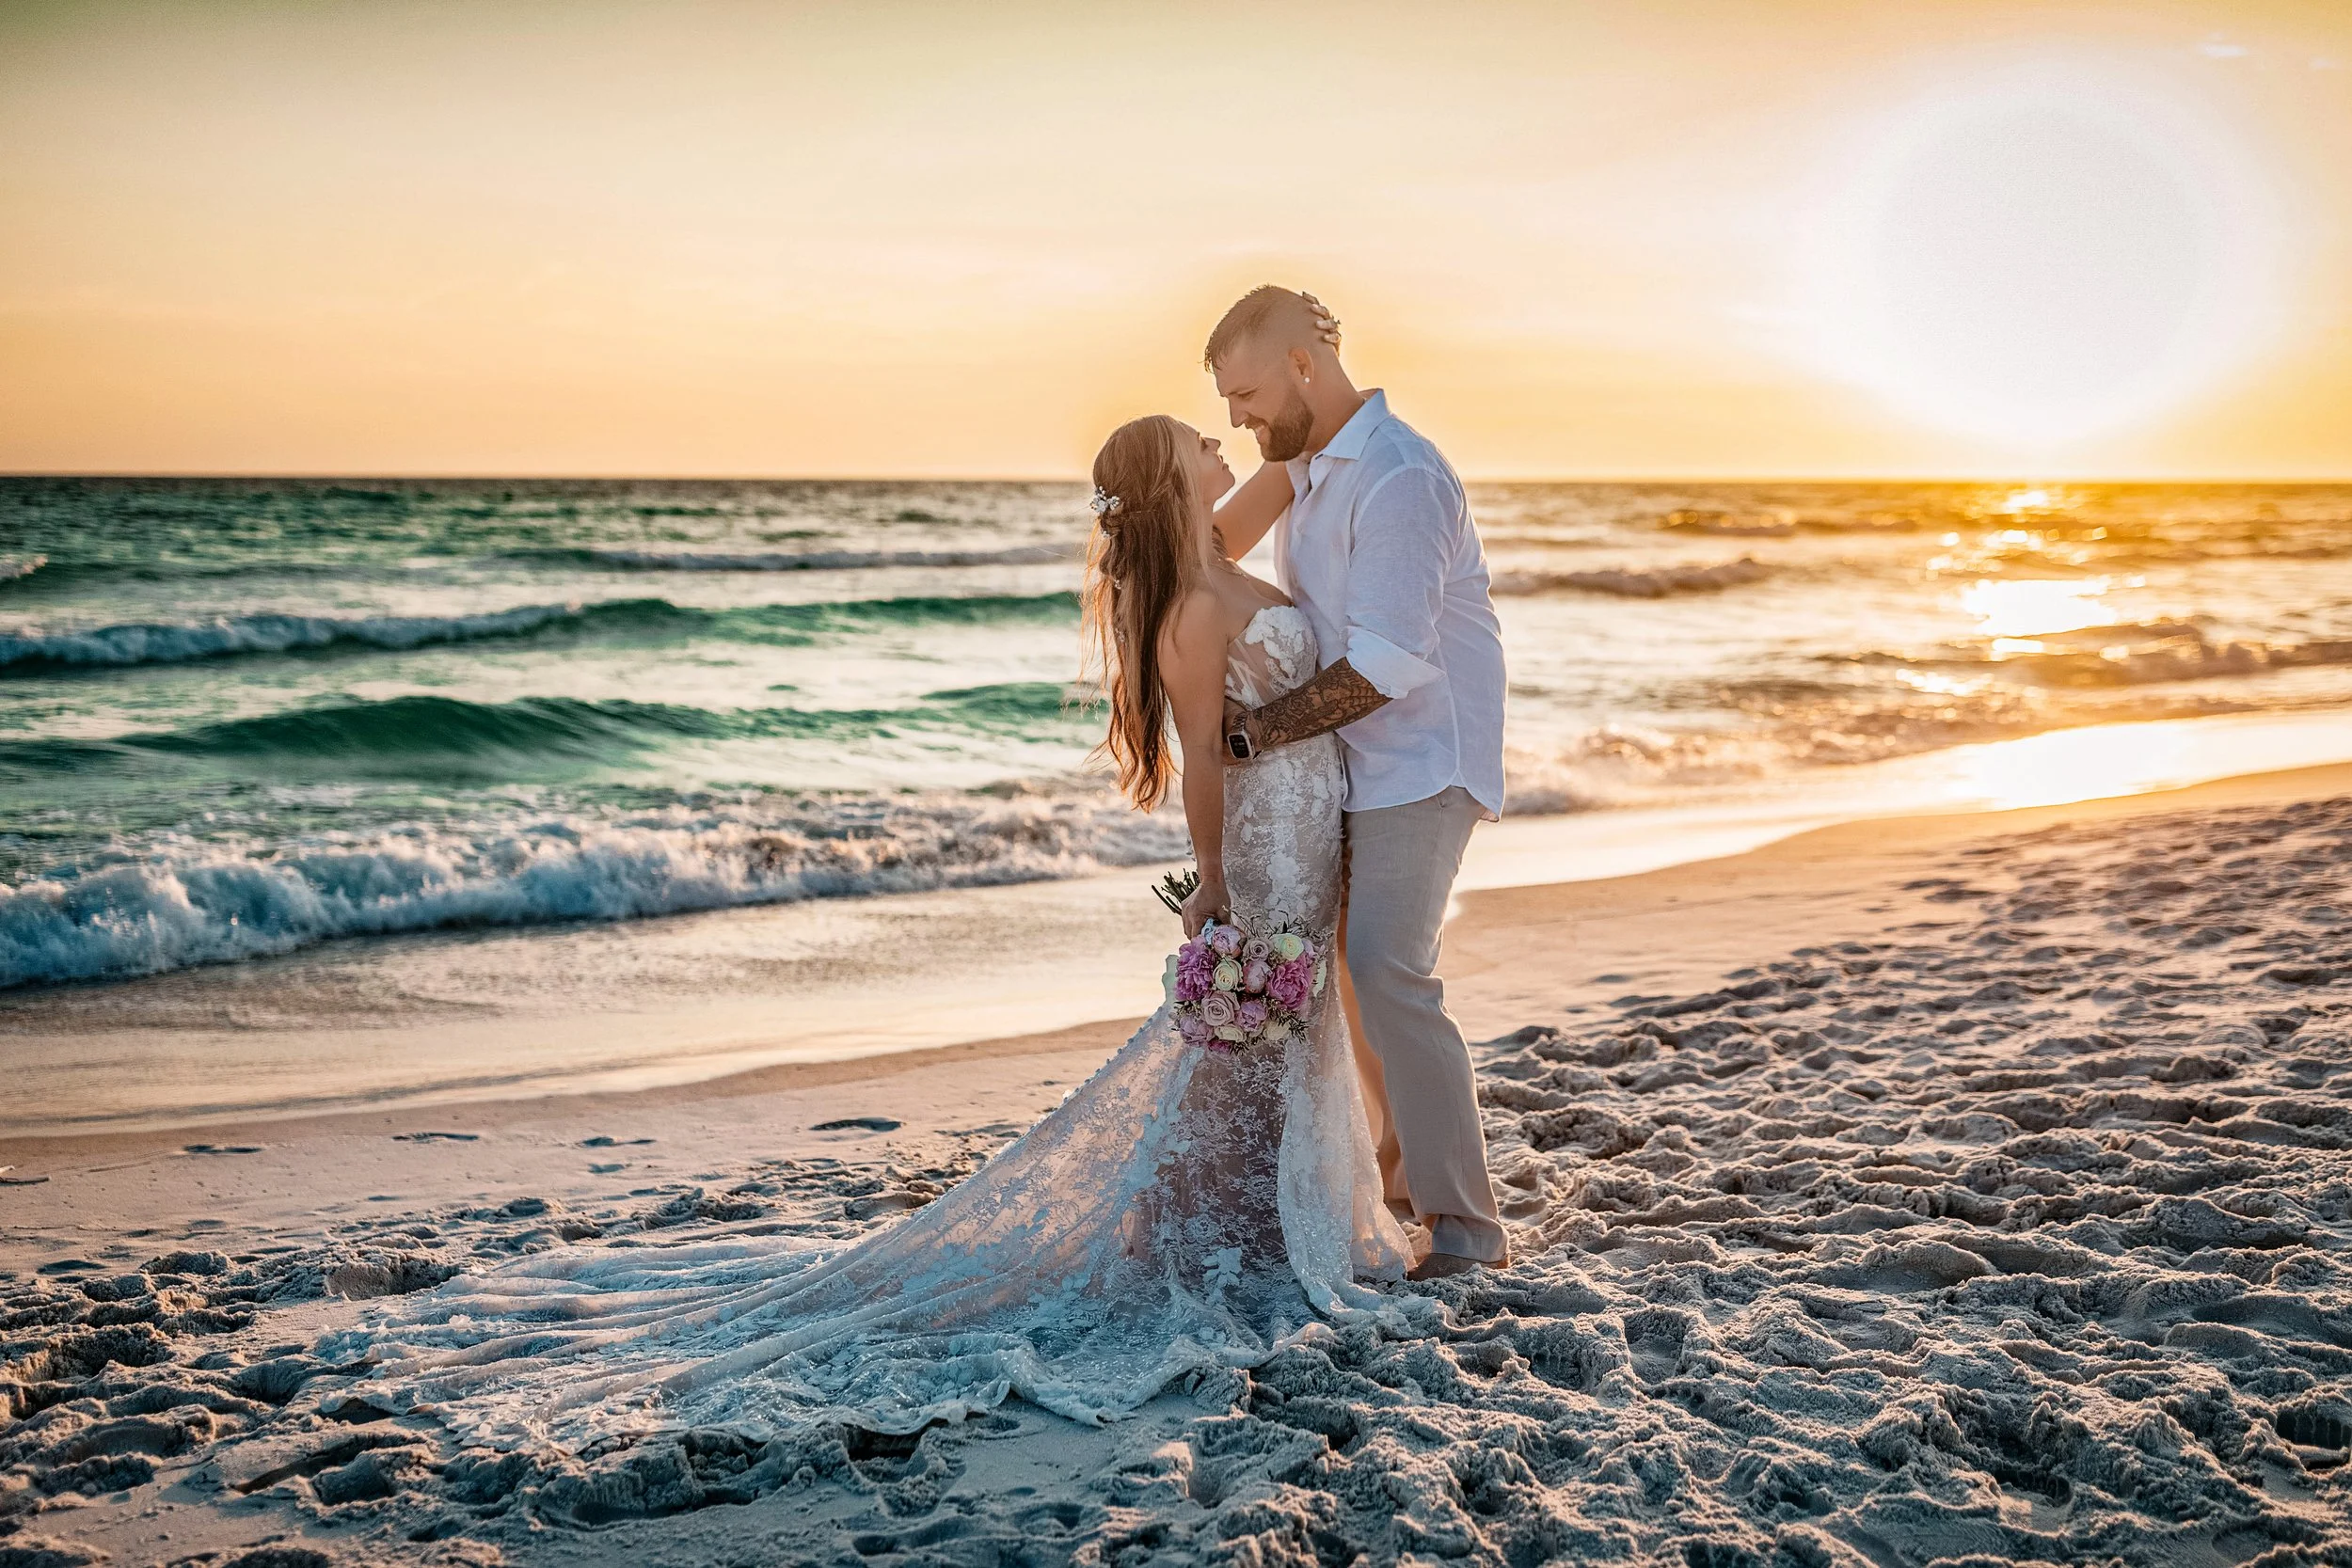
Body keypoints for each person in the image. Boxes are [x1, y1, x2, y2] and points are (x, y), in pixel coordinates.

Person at [337, 409, 1422, 1445]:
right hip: (1266, 837)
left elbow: (1300, 455)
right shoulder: (1190, 604)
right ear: (1170, 478)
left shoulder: (1217, 554)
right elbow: (1198, 761)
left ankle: (1255, 1221)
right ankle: (1225, 1237)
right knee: (1254, 1037)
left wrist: (1321, 389)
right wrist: (1218, 887)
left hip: (1308, 819)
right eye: (1195, 436)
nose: (1213, 434)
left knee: (1285, 1031)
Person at [1205, 285, 1510, 1279]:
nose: (1236, 417)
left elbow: (1384, 665)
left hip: (1421, 758)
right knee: (1348, 976)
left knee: (1386, 968)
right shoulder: (1300, 465)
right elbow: (1201, 552)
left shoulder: (1398, 474)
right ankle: (1397, 1193)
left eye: (1245, 392)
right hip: (1349, 761)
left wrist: (1249, 737)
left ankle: (1467, 1233)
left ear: (1303, 364)